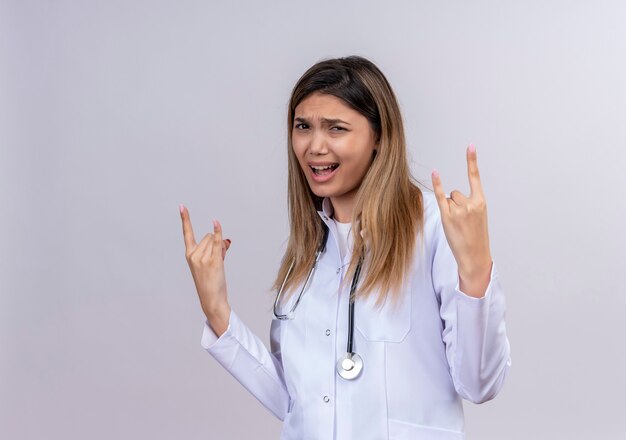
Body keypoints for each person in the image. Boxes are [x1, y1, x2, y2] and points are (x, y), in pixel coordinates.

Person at [179, 55, 511, 440]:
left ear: (379, 138)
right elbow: (295, 403)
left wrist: (475, 273)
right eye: (303, 127)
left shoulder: (436, 228)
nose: (314, 146)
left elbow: (480, 384)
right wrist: (218, 313)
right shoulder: (308, 254)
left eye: (336, 128)